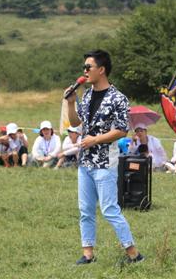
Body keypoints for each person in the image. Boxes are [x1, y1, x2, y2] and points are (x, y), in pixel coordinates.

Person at [65, 49, 144, 265]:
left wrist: (95, 139)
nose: (84, 71)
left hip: (105, 162)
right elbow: (75, 123)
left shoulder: (118, 98)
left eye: (88, 67)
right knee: (85, 210)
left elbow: (121, 130)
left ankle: (134, 254)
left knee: (109, 209)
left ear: (101, 70)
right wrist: (71, 103)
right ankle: (88, 253)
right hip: (85, 162)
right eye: (84, 68)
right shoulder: (88, 94)